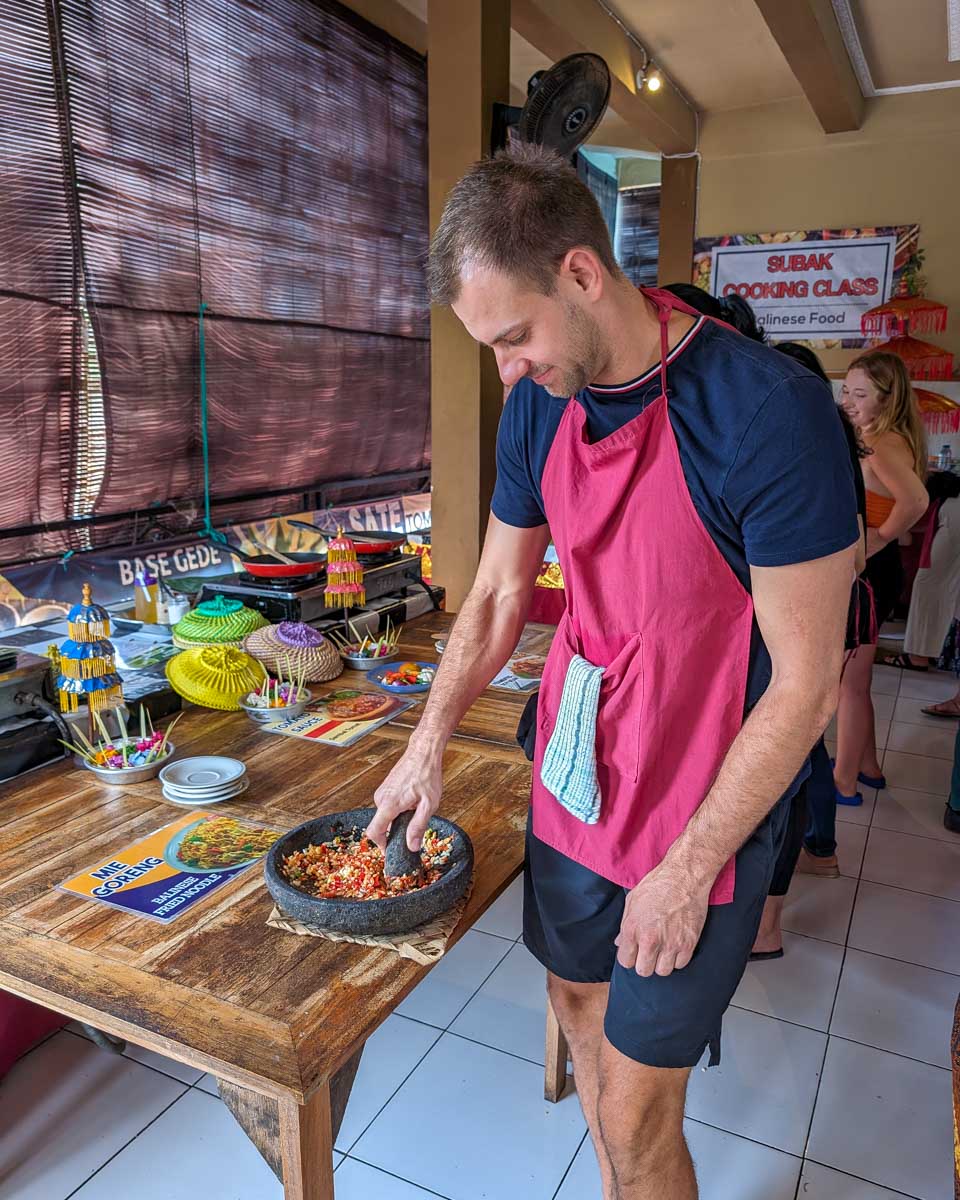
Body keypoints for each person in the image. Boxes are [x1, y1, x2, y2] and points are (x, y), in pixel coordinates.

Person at [367, 144, 857, 1200]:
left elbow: (808, 685)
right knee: (579, 1012)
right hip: (580, 772)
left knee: (640, 1116)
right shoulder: (543, 402)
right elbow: (499, 593)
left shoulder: (767, 414)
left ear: (583, 275)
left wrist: (683, 874)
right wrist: (427, 740)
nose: (504, 371)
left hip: (706, 794)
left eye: (512, 338)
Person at [751, 342, 871, 958]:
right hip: (787, 625)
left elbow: (853, 548)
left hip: (802, 627)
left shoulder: (810, 439)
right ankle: (816, 853)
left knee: (796, 758)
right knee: (801, 757)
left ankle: (773, 915)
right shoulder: (808, 435)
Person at [832, 352, 928, 804]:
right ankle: (867, 766)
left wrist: (881, 537)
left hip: (871, 573)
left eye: (860, 394)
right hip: (872, 570)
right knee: (858, 681)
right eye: (845, 391)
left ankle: (843, 783)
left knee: (848, 685)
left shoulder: (882, 442)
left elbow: (915, 500)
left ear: (887, 399)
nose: (848, 401)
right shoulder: (876, 435)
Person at [887, 470, 960, 671]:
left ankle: (919, 656)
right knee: (947, 588)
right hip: (952, 506)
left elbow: (906, 533)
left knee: (927, 586)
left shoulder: (900, 478)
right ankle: (937, 652)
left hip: (952, 510)